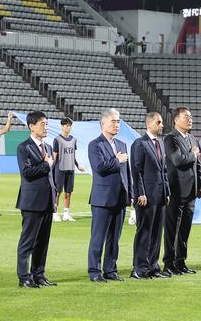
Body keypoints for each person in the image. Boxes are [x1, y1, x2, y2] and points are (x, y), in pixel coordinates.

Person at [87, 108, 132, 283]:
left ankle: (110, 269)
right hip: (102, 199)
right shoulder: (95, 145)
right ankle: (94, 271)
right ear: (103, 123)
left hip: (120, 197)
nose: (116, 125)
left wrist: (131, 194)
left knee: (115, 238)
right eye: (113, 121)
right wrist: (117, 160)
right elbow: (99, 168)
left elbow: (127, 173)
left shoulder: (122, 145)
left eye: (118, 121)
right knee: (98, 237)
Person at [15, 111, 57, 288]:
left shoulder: (47, 147)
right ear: (31, 126)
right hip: (31, 202)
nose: (45, 127)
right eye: (42, 124)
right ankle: (24, 277)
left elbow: (50, 177)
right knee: (28, 242)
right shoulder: (23, 147)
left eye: (46, 124)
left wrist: (54, 197)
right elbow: (26, 173)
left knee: (43, 242)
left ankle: (39, 274)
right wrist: (46, 164)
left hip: (47, 201)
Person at [130, 112, 171, 280]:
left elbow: (164, 170)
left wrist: (167, 192)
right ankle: (139, 268)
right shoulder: (139, 143)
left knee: (156, 232)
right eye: (159, 122)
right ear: (149, 124)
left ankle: (153, 266)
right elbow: (136, 171)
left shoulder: (160, 142)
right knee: (144, 232)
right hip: (146, 196)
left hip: (160, 195)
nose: (162, 125)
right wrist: (140, 192)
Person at [163, 107, 201, 275]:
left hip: (191, 192)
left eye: (191, 117)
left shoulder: (193, 138)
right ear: (176, 120)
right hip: (176, 191)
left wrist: (199, 184)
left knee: (185, 229)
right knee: (172, 229)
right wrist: (193, 155)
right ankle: (169, 263)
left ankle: (181, 262)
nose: (190, 119)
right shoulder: (170, 139)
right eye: (186, 117)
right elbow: (178, 160)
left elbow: (198, 165)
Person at [52, 117, 86, 222]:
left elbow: (73, 155)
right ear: (62, 126)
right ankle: (55, 213)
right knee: (57, 192)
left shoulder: (73, 140)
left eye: (70, 125)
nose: (68, 127)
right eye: (66, 125)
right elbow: (55, 156)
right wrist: (50, 168)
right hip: (60, 169)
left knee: (68, 192)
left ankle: (66, 214)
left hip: (70, 169)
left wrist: (77, 165)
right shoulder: (57, 140)